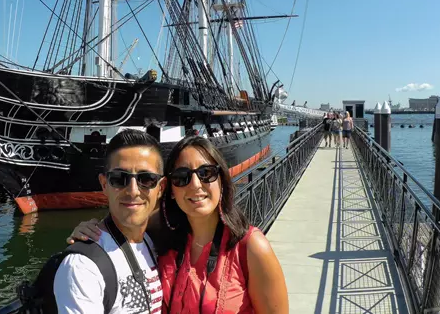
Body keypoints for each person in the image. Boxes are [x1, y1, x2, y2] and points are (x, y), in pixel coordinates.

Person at [69, 135, 289, 313]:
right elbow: (127, 218)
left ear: (221, 180)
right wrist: (90, 232)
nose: (195, 185)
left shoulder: (250, 247)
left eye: (206, 173)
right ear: (170, 189)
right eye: (182, 177)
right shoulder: (161, 235)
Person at [54, 129, 164, 313]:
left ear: (161, 188)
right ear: (104, 185)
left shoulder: (153, 241)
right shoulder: (82, 267)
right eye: (119, 179)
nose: (133, 191)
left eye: (146, 179)